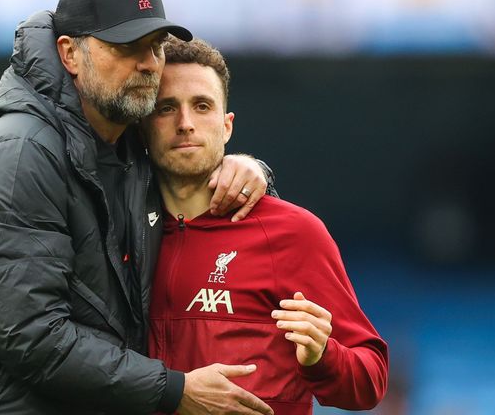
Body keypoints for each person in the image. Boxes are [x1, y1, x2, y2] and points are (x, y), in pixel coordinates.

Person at [0, 0, 276, 415]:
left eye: (155, 46)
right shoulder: (22, 154)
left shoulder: (127, 138)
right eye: (127, 46)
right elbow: (30, 337)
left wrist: (244, 168)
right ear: (70, 54)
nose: (148, 63)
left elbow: (192, 162)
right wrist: (173, 390)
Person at [143, 39, 389, 415]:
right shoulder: (122, 230)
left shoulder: (293, 233)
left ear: (227, 126)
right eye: (166, 108)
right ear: (143, 126)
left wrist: (322, 354)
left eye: (202, 106)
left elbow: (370, 382)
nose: (186, 123)